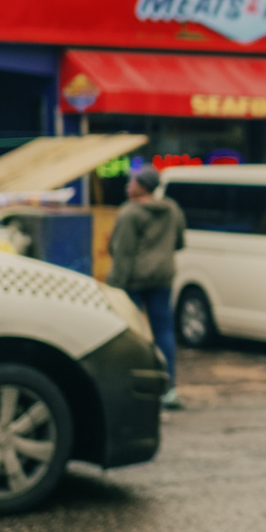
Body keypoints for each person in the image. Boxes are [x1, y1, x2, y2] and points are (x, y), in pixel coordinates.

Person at [109, 166, 185, 411]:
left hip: (133, 281)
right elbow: (180, 242)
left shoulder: (130, 213)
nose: (127, 184)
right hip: (163, 278)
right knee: (164, 332)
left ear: (143, 185)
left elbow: (122, 252)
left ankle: (129, 390)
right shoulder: (172, 209)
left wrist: (115, 286)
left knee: (131, 334)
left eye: (132, 181)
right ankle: (169, 389)